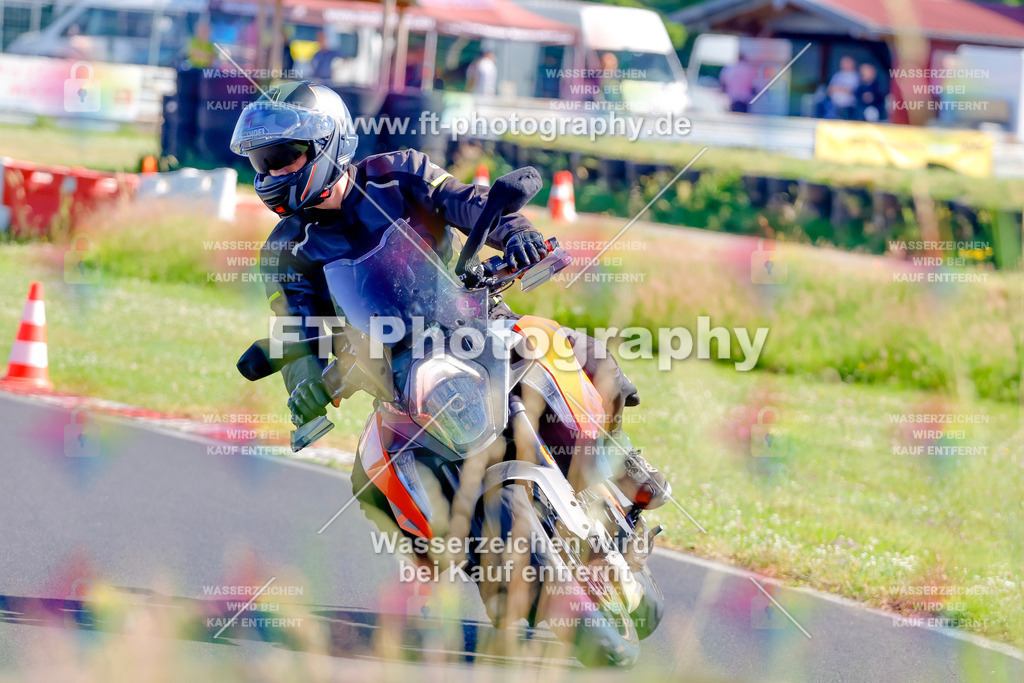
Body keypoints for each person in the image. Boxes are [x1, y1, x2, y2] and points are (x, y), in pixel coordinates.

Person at [229, 81, 669, 512]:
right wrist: (305, 380)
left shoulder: (399, 173)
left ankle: (617, 456)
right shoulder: (285, 251)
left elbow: (469, 203)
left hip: (471, 320)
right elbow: (294, 326)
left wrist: (518, 235)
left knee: (571, 348)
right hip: (395, 372)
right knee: (373, 483)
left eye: (284, 156)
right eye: (261, 161)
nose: (271, 172)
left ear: (328, 142)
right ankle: (463, 555)